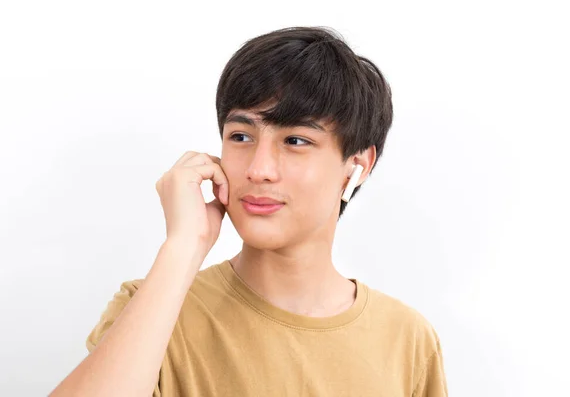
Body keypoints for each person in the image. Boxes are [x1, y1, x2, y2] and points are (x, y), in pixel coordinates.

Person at [50, 26, 447, 397]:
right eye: (240, 136)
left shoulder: (407, 339)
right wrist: (184, 246)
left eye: (295, 140)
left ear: (357, 165)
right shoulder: (154, 308)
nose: (258, 170)